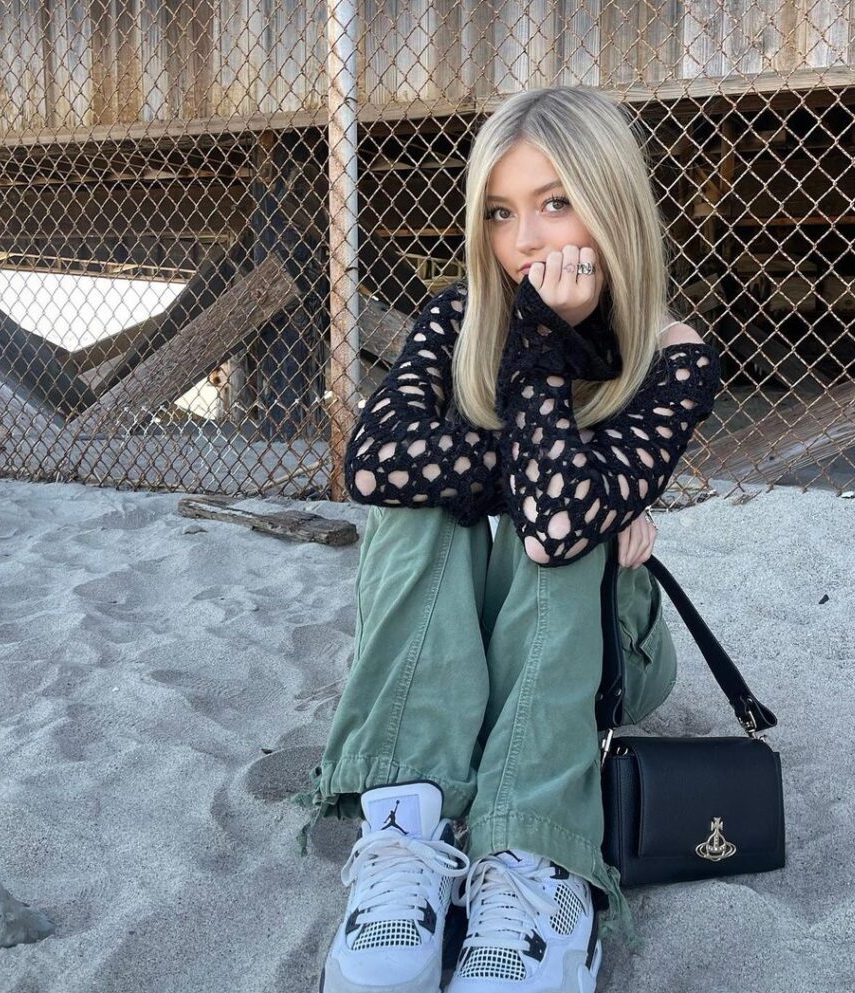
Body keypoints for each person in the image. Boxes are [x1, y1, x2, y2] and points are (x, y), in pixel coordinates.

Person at [291, 83, 722, 993]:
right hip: (463, 635)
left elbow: (560, 526)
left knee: (551, 534)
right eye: (501, 211)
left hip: (600, 644)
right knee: (421, 504)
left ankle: (536, 860)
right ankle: (406, 834)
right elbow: (370, 467)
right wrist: (564, 478)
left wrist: (538, 353)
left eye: (556, 202)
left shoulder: (670, 353)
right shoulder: (454, 317)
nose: (525, 239)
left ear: (613, 204)